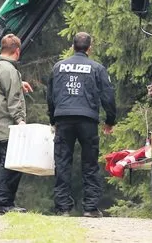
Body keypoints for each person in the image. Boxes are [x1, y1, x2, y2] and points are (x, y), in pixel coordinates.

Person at [47, 32, 117, 218]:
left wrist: (53, 119)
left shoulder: (58, 67)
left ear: (72, 46)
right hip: (87, 120)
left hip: (64, 119)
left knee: (62, 163)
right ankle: (90, 207)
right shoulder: (97, 68)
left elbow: (51, 96)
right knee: (90, 164)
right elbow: (108, 96)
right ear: (89, 47)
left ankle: (63, 209)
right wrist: (110, 121)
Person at [0, 34, 34, 216]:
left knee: (1, 163)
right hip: (7, 125)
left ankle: (2, 203)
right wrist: (20, 121)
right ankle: (4, 204)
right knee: (11, 164)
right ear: (17, 51)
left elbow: (0, 89)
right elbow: (13, 100)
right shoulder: (9, 70)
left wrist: (19, 83)